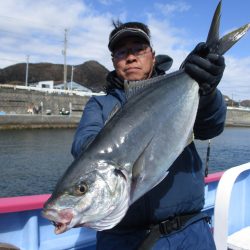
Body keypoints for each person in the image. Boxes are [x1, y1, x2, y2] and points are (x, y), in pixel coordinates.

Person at [71, 21, 226, 250]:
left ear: (153, 56)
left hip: (190, 232)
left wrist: (208, 92)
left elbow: (210, 127)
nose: (130, 57)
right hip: (124, 240)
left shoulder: (182, 88)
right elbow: (83, 146)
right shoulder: (99, 105)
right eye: (122, 52)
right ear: (114, 61)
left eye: (138, 49)